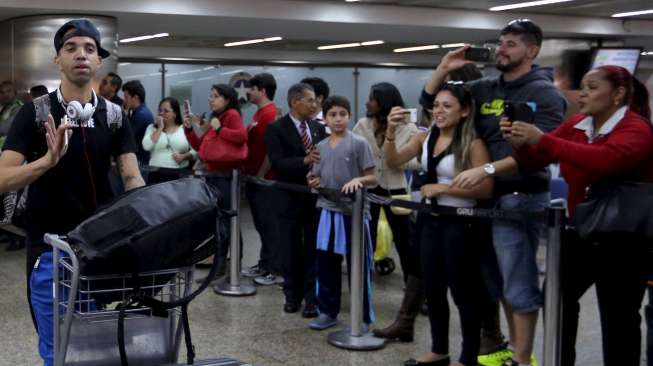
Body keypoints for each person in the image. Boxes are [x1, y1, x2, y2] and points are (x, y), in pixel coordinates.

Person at [422, 20, 567, 366]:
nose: (502, 49)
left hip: (520, 196)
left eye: (512, 44)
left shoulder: (544, 94)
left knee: (518, 280)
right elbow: (430, 101)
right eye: (501, 42)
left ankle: (521, 359)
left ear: (532, 51)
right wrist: (444, 67)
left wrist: (487, 168)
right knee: (495, 281)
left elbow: (543, 150)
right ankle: (517, 350)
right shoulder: (486, 88)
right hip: (484, 199)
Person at [0, 19, 144, 366]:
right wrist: (47, 162)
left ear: (99, 62)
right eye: (71, 48)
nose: (81, 54)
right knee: (57, 344)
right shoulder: (34, 114)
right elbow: (3, 179)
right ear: (58, 61)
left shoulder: (113, 116)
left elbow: (132, 177)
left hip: (100, 244)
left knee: (95, 338)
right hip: (47, 245)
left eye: (90, 49)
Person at [501, 65, 653, 366]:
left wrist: (542, 139)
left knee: (618, 318)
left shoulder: (636, 128)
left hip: (625, 241)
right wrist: (520, 140)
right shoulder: (578, 124)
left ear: (618, 94)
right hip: (580, 232)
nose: (583, 93)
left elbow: (607, 160)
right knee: (557, 303)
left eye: (592, 87)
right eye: (582, 86)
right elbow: (538, 158)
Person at [374, 64, 484, 343]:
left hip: (459, 220)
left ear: (465, 110)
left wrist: (444, 188)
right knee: (432, 287)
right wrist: (390, 132)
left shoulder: (473, 143)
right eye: (436, 105)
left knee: (461, 291)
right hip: (429, 219)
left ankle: (468, 354)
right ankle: (438, 348)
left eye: (447, 105)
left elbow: (486, 187)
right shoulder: (426, 136)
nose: (439, 110)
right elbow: (394, 160)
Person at [306, 95, 377, 330]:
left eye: (342, 114)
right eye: (333, 115)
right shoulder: (320, 147)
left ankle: (363, 316)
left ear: (349, 116)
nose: (338, 119)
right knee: (326, 263)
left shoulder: (359, 143)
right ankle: (327, 311)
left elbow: (373, 176)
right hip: (326, 210)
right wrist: (313, 180)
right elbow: (316, 175)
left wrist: (359, 179)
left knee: (358, 264)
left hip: (354, 214)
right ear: (325, 118)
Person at [265, 83, 327, 317]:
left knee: (313, 248)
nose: (315, 105)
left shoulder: (318, 128)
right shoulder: (276, 129)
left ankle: (312, 299)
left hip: (314, 199)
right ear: (295, 102)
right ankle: (292, 295)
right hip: (288, 198)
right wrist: (304, 160)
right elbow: (278, 162)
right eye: (310, 100)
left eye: (315, 101)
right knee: (290, 249)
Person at [353, 82, 418, 283]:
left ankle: (414, 288)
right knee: (366, 238)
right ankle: (362, 283)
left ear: (384, 102)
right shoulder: (362, 125)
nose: (368, 102)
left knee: (405, 240)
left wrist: (399, 160)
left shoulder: (408, 127)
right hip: (369, 189)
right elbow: (352, 153)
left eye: (372, 98)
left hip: (396, 189)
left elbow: (417, 162)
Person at [184, 84, 247, 281]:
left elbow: (241, 137)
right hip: (213, 174)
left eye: (216, 96)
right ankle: (220, 267)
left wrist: (220, 130)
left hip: (225, 176)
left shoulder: (232, 116)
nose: (212, 99)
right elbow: (201, 146)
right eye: (211, 96)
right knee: (220, 224)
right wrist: (188, 130)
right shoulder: (216, 118)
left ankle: (232, 268)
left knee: (228, 223)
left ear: (227, 99)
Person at [240, 73, 282, 286]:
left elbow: (271, 151)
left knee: (269, 224)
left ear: (262, 91)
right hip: (254, 178)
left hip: (265, 181)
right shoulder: (258, 114)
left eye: (252, 88)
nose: (248, 92)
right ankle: (264, 262)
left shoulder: (271, 114)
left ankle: (274, 267)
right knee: (261, 224)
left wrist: (261, 174)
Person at [142, 97, 195, 183]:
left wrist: (184, 156)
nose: (161, 113)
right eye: (160, 110)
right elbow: (146, 146)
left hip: (178, 175)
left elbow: (196, 150)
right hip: (155, 174)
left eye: (166, 111)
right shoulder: (152, 128)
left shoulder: (184, 129)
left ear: (175, 114)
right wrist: (160, 127)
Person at [122, 79, 153, 165]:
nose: (124, 100)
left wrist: (123, 115)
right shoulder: (141, 111)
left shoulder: (140, 115)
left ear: (136, 97)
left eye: (126, 97)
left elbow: (126, 136)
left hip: (140, 160)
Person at [0, 80, 24, 148]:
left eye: (9, 91)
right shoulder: (5, 107)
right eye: (2, 92)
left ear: (15, 93)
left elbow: (4, 128)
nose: (5, 94)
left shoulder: (19, 108)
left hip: (11, 149)